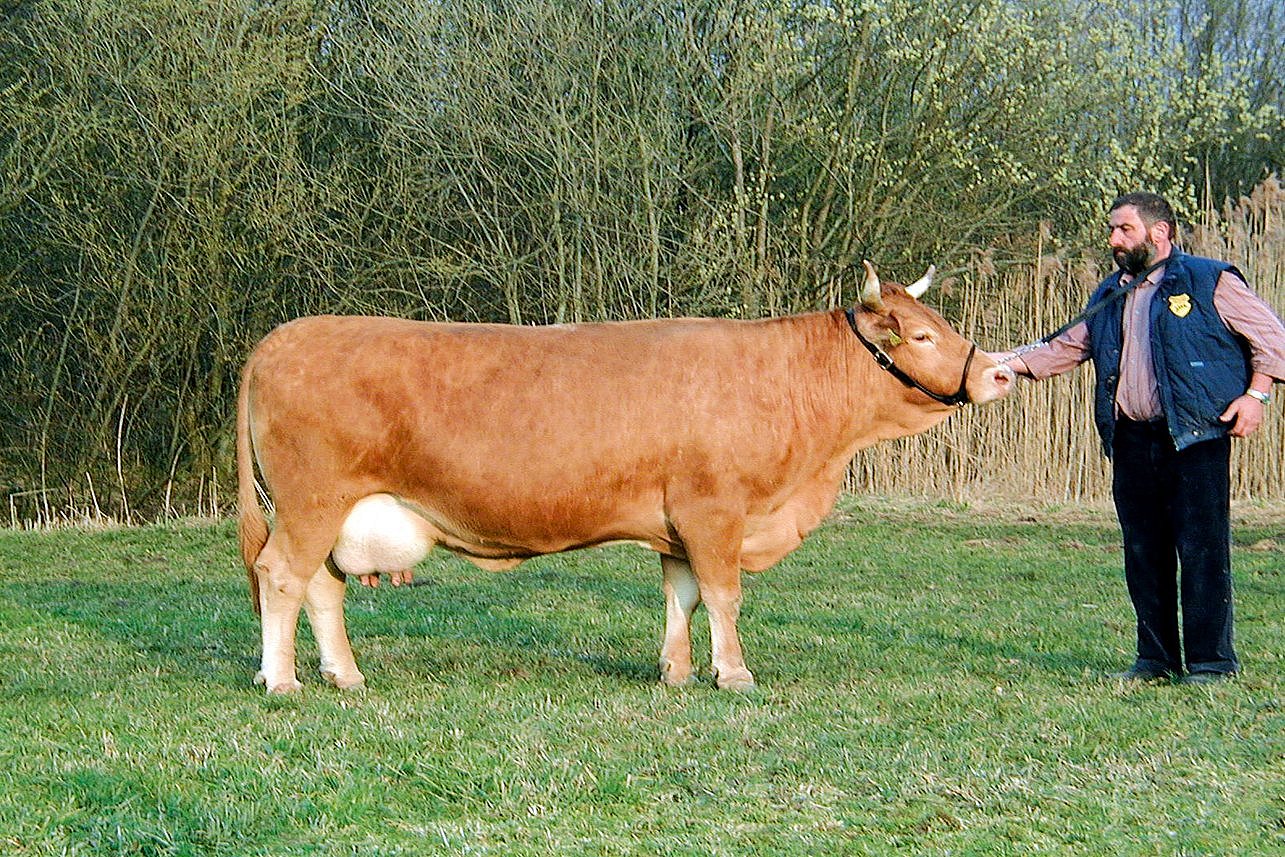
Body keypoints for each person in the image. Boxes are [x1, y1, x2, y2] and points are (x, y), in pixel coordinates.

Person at [996, 192, 1285, 684]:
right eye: (1112, 230)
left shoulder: (1209, 279)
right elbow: (1065, 347)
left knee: (1201, 550)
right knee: (1143, 552)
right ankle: (1154, 661)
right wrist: (997, 364)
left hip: (1195, 435)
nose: (1113, 239)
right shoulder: (1110, 293)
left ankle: (1212, 663)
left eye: (1123, 229)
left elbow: (1273, 341)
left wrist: (1255, 398)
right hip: (1130, 439)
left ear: (1160, 232)